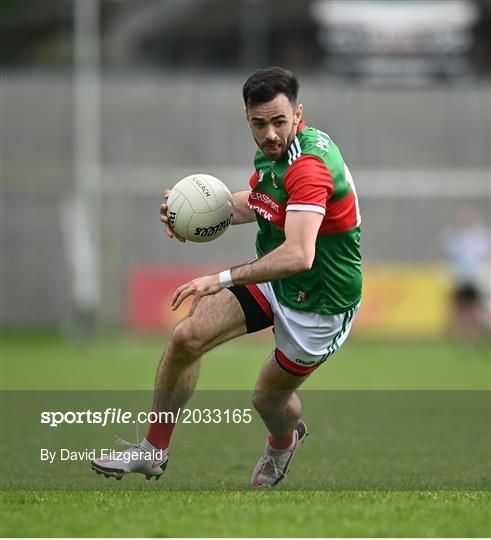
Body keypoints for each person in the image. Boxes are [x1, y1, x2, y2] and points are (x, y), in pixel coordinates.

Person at [91, 67, 362, 487]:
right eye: (259, 123)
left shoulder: (310, 166)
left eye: (279, 121)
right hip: (276, 280)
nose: (270, 133)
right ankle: (153, 450)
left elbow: (299, 254)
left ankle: (283, 442)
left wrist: (220, 278)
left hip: (322, 302)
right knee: (187, 338)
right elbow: (255, 204)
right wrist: (187, 213)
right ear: (247, 119)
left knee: (268, 400)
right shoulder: (272, 154)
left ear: (298, 114)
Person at [439, 207, 490, 338]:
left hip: (476, 277)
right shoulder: (452, 235)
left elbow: (485, 254)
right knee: (459, 305)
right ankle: (460, 333)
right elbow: (445, 254)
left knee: (477, 306)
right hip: (459, 277)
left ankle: (478, 332)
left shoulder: (481, 235)